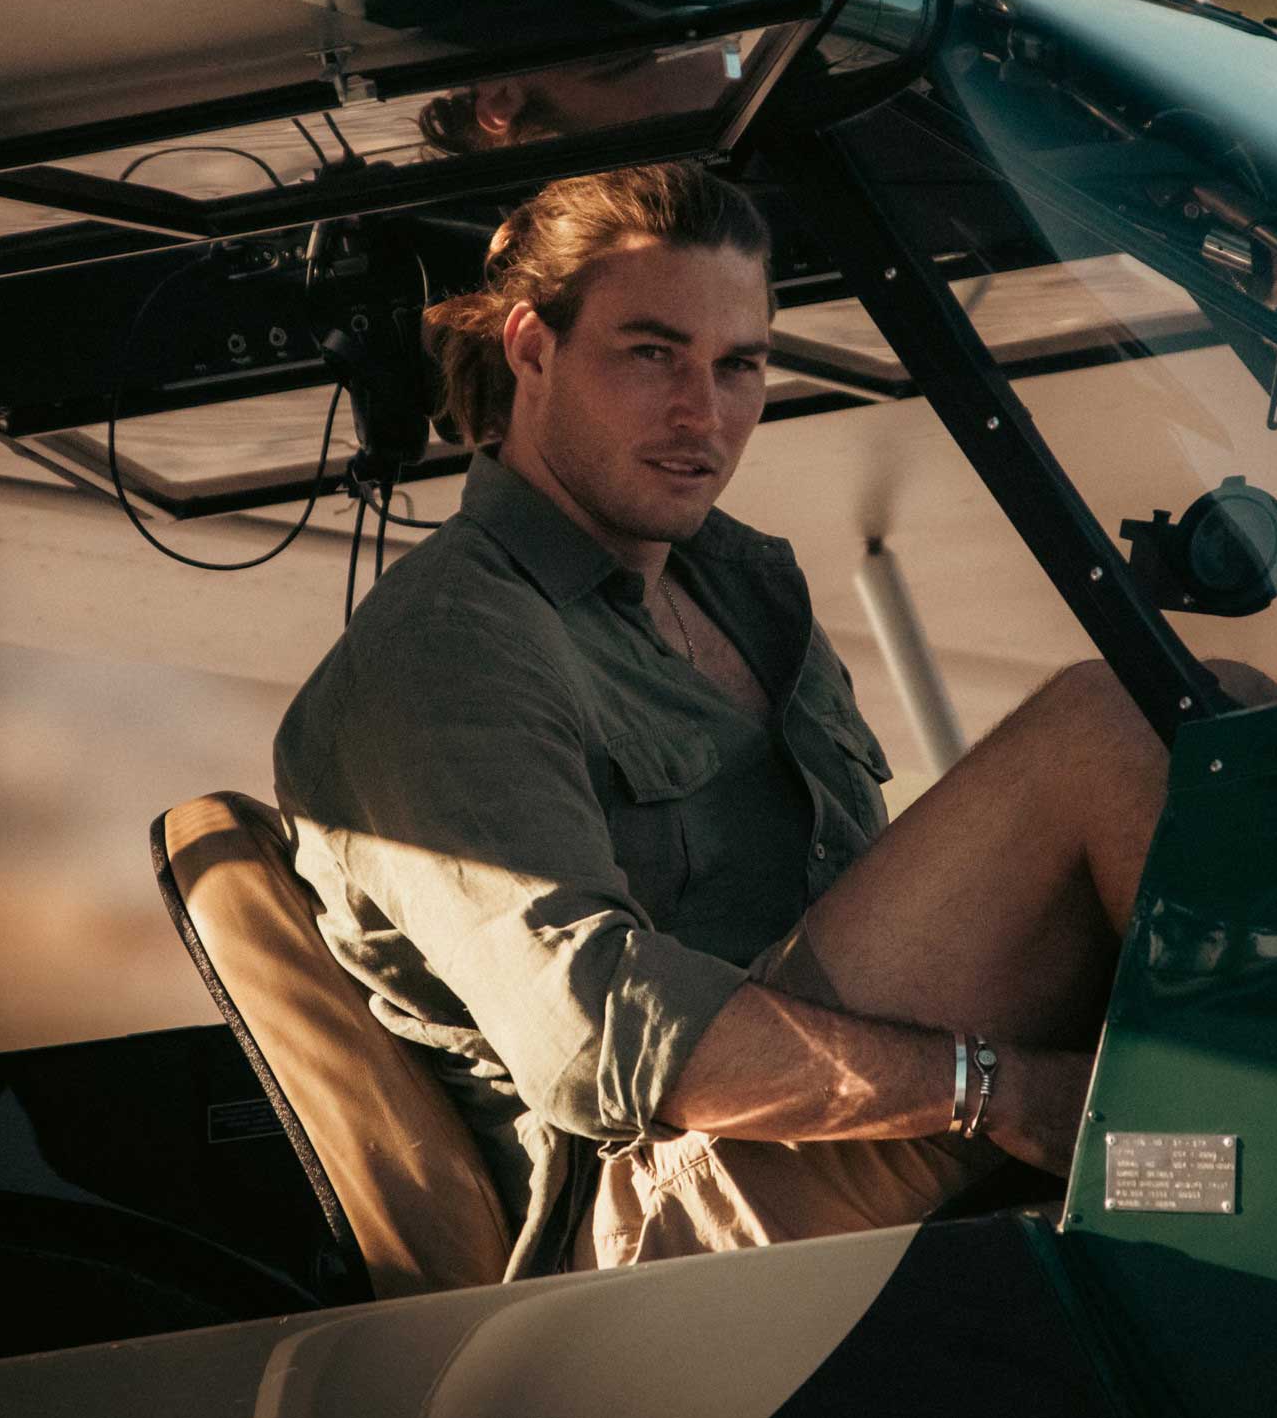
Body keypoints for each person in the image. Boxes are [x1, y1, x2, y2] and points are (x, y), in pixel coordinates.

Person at [273, 162, 1169, 1279]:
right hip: (655, 1215)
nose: (704, 413)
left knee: (1219, 713)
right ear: (532, 350)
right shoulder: (444, 645)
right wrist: (1000, 1088)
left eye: (738, 365)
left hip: (863, 1120)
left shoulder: (744, 586)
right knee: (1103, 721)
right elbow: (597, 1039)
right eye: (652, 354)